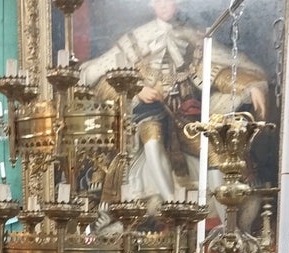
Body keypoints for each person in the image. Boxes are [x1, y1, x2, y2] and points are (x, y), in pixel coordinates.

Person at [79, 0, 268, 208]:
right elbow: (99, 74)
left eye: (169, 0)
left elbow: (219, 70)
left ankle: (224, 224)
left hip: (184, 119)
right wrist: (137, 90)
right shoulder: (135, 39)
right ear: (151, 4)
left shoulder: (193, 38)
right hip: (148, 114)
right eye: (158, 0)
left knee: (215, 153)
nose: (164, 4)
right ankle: (171, 203)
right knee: (152, 139)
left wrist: (250, 86)